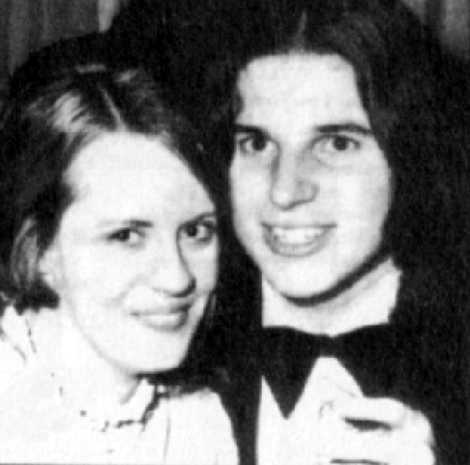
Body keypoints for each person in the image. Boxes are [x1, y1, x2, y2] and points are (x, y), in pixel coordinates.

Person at [194, 1, 468, 464]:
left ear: (410, 153)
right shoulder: (168, 338)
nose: (285, 191)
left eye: (337, 144)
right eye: (257, 143)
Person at [0, 64, 237, 464]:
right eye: (126, 236)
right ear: (38, 251)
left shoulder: (199, 422)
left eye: (196, 231)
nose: (177, 278)